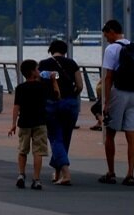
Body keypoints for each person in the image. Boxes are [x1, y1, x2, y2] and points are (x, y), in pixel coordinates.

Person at [99, 19, 134, 186]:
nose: (106, 39)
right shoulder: (133, 46)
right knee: (131, 135)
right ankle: (130, 174)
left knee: (110, 133)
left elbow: (108, 76)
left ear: (111, 31)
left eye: (106, 36)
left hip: (119, 92)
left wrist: (106, 102)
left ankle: (111, 172)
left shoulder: (112, 49)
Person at [8, 58, 59, 190]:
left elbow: (16, 107)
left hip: (24, 122)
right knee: (38, 151)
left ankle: (21, 174)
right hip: (40, 122)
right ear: (32, 72)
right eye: (37, 69)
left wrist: (13, 124)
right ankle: (36, 179)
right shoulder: (42, 87)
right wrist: (53, 81)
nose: (39, 71)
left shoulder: (20, 88)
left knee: (22, 150)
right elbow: (57, 96)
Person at [39, 39, 84, 185]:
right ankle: (57, 172)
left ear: (51, 50)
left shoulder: (44, 64)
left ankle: (65, 174)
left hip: (51, 104)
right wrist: (72, 94)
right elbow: (80, 85)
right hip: (70, 104)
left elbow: (39, 84)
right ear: (65, 50)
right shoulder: (72, 63)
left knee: (55, 138)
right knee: (65, 138)